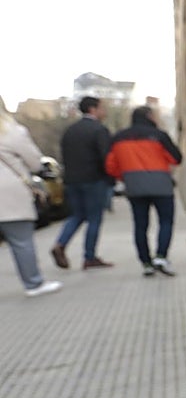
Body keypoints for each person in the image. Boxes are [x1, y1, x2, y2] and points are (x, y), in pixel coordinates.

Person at [104, 105, 183, 276]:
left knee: (140, 225)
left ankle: (146, 263)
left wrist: (125, 176)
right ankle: (161, 257)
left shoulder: (118, 138)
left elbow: (110, 166)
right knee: (166, 221)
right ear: (149, 117)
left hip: (134, 186)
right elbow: (176, 158)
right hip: (161, 185)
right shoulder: (159, 136)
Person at [0, 113, 63, 297]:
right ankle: (33, 283)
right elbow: (35, 163)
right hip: (9, 193)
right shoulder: (11, 131)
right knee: (21, 241)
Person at [51, 96, 114, 270]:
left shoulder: (70, 130)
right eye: (102, 108)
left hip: (72, 181)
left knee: (77, 215)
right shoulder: (99, 130)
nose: (104, 112)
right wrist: (110, 178)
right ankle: (89, 257)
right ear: (93, 109)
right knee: (94, 218)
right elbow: (105, 157)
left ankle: (60, 244)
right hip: (94, 180)